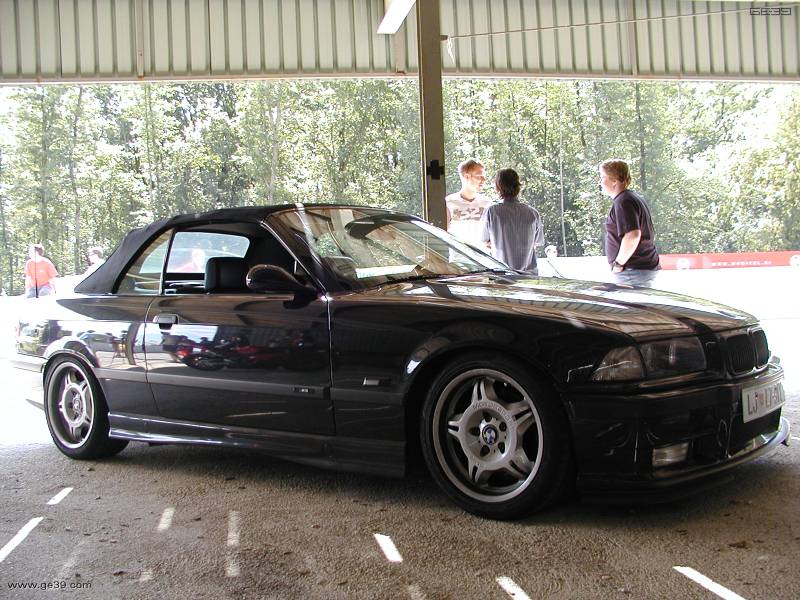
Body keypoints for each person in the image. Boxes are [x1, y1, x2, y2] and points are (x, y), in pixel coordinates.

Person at [599, 159, 660, 286]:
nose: (600, 182)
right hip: (640, 270)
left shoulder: (623, 201)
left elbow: (633, 235)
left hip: (632, 272)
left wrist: (618, 264)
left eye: (603, 177)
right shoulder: (633, 198)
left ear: (614, 180)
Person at [480, 168, 545, 274]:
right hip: (529, 276)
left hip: (502, 275)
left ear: (498, 187)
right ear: (518, 186)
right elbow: (537, 242)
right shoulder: (532, 213)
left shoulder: (492, 211)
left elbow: (484, 240)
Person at [446, 159, 493, 248]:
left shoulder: (487, 203)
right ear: (467, 176)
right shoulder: (449, 202)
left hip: (482, 255)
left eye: (484, 177)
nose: (483, 180)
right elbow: (443, 234)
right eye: (479, 176)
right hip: (458, 255)